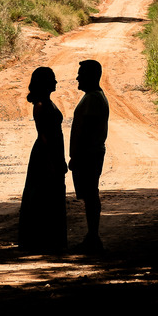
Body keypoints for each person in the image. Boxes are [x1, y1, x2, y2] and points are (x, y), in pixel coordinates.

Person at [17, 66, 68, 253]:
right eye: (52, 79)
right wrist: (52, 161)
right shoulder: (40, 106)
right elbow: (45, 136)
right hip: (45, 153)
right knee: (43, 195)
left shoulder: (46, 102)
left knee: (47, 195)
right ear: (45, 83)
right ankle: (41, 240)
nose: (56, 82)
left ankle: (47, 239)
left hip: (50, 151)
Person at [69, 59, 109, 253]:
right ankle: (92, 236)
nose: (78, 77)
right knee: (90, 194)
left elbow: (86, 131)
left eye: (81, 73)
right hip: (91, 153)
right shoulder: (94, 96)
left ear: (91, 76)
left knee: (91, 194)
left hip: (89, 154)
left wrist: (76, 156)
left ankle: (93, 236)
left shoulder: (93, 98)